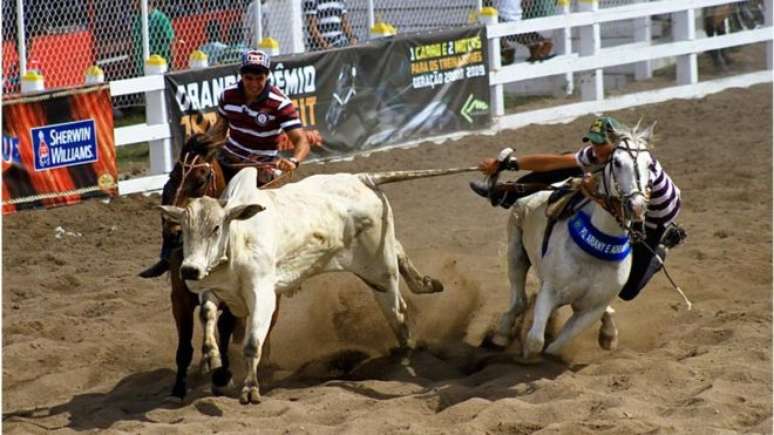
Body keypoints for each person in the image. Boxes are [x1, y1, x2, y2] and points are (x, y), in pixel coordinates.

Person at [470, 116, 686, 301]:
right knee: (568, 165)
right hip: (625, 196)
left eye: (599, 143)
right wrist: (509, 164)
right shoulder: (603, 154)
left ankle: (661, 249)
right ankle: (507, 192)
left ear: (614, 144)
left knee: (627, 291)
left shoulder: (634, 163)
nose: (594, 148)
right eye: (592, 142)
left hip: (653, 215)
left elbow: (631, 210)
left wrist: (590, 187)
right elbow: (555, 163)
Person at [140, 49, 311, 278]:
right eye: (249, 77)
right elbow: (221, 128)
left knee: (246, 213)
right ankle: (167, 254)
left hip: (261, 169)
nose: (254, 83)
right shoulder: (228, 96)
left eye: (259, 78)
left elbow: (302, 141)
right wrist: (206, 146)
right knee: (176, 185)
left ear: (267, 76)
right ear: (242, 75)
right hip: (228, 159)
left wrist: (293, 161)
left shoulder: (280, 104)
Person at [491, 0, 555, 64]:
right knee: (514, 33)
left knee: (511, 33)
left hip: (502, 17)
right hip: (515, 15)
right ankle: (539, 44)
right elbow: (528, 4)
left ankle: (538, 44)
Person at [132, 0, 175, 75]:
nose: (133, 3)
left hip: (159, 65)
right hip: (141, 67)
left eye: (135, 1)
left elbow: (171, 42)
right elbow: (134, 43)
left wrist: (172, 63)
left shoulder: (161, 18)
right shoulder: (136, 20)